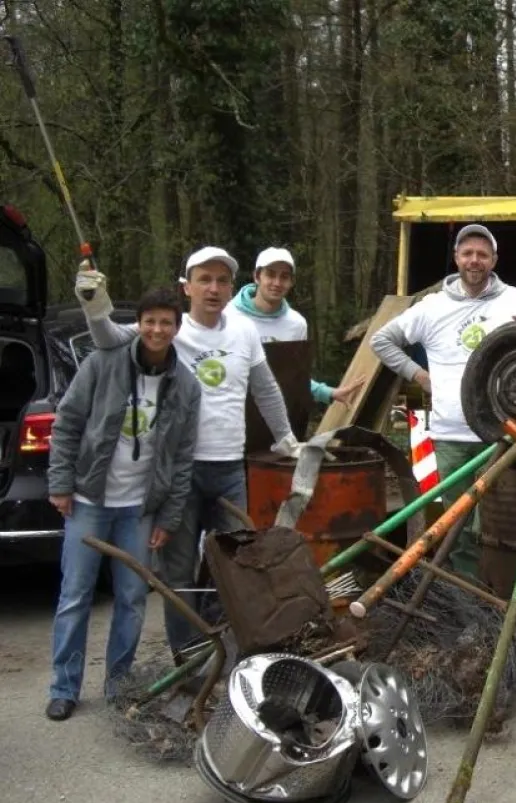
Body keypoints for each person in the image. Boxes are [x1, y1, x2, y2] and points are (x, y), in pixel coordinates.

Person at [74, 247, 300, 657]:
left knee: (231, 565)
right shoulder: (169, 329)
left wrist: (286, 436)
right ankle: (188, 656)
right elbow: (107, 338)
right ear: (187, 287)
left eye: (221, 281)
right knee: (177, 570)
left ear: (232, 287)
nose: (213, 289)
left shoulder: (244, 331)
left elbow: (265, 389)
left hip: (230, 468)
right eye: (204, 280)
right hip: (180, 471)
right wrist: (94, 303)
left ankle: (224, 648)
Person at [45, 287, 202, 721]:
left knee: (132, 598)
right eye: (149, 321)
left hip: (140, 508)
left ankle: (119, 684)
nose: (156, 329)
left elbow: (183, 458)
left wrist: (168, 515)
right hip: (89, 501)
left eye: (165, 322)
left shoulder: (186, 387)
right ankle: (63, 687)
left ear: (177, 327)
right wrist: (60, 484)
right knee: (74, 596)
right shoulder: (103, 364)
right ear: (139, 324)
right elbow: (68, 424)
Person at [371, 224, 516, 578]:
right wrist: (419, 376)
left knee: (497, 527)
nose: (475, 260)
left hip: (502, 435)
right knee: (455, 527)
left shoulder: (514, 300)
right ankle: (467, 607)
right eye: (468, 253)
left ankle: (499, 596)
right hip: (450, 435)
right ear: (457, 258)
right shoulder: (431, 307)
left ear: (494, 260)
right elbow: (382, 341)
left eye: (482, 254)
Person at [226, 247, 366, 406]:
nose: (277, 283)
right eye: (270, 274)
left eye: (284, 277)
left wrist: (329, 393)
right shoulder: (227, 316)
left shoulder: (296, 324)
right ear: (257, 276)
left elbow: (294, 378)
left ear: (291, 282)